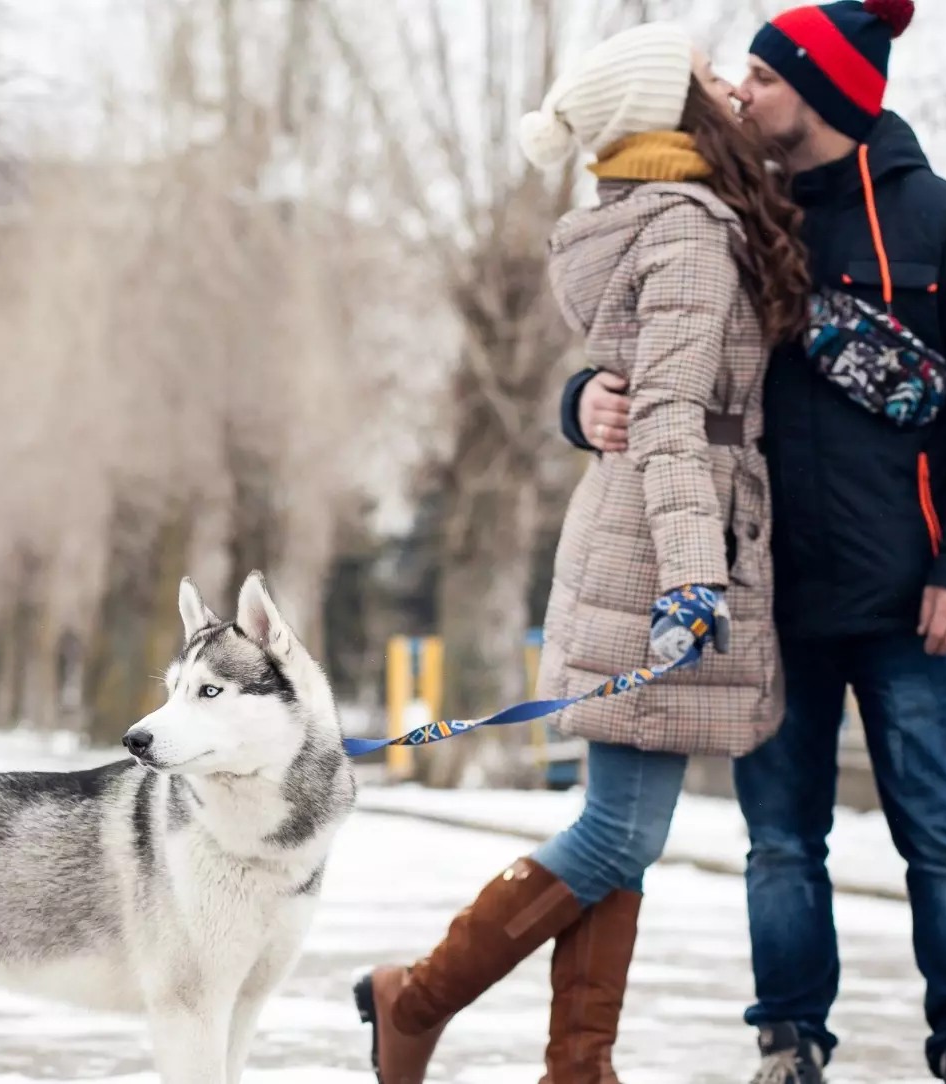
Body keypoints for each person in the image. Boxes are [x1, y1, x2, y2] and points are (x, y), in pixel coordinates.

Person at [576, 3, 946, 1082]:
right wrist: (582, 400)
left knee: (942, 837)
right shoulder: (719, 218)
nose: (742, 93)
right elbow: (637, 345)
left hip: (912, 603)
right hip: (764, 603)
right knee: (781, 846)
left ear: (827, 95)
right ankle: (788, 1041)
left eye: (764, 76)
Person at [353, 21, 811, 1084]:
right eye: (711, 79)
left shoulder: (655, 214)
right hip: (663, 548)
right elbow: (667, 419)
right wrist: (697, 575)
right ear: (676, 113)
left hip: (643, 535)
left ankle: (576, 1066)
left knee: (623, 829)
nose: (732, 92)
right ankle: (413, 1002)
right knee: (615, 832)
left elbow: (642, 401)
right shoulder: (693, 230)